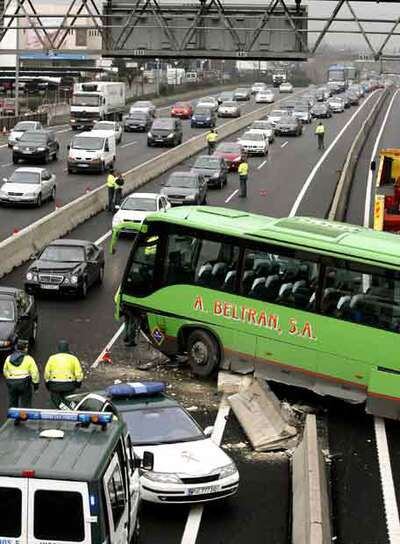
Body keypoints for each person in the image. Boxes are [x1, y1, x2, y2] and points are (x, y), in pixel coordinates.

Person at [44, 340, 84, 410]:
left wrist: (47, 382)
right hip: (69, 384)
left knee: (56, 399)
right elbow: (79, 373)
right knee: (69, 398)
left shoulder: (52, 358)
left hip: (55, 384)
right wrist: (78, 383)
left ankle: (64, 409)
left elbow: (47, 372)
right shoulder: (73, 358)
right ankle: (74, 408)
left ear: (58, 348)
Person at [3, 339, 39, 408]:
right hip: (24, 383)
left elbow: (5, 370)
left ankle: (12, 418)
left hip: (12, 383)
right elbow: (35, 373)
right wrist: (35, 385)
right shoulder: (29, 359)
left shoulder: (9, 358)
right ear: (25, 349)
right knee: (26, 403)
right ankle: (25, 417)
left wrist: (9, 378)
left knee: (13, 403)